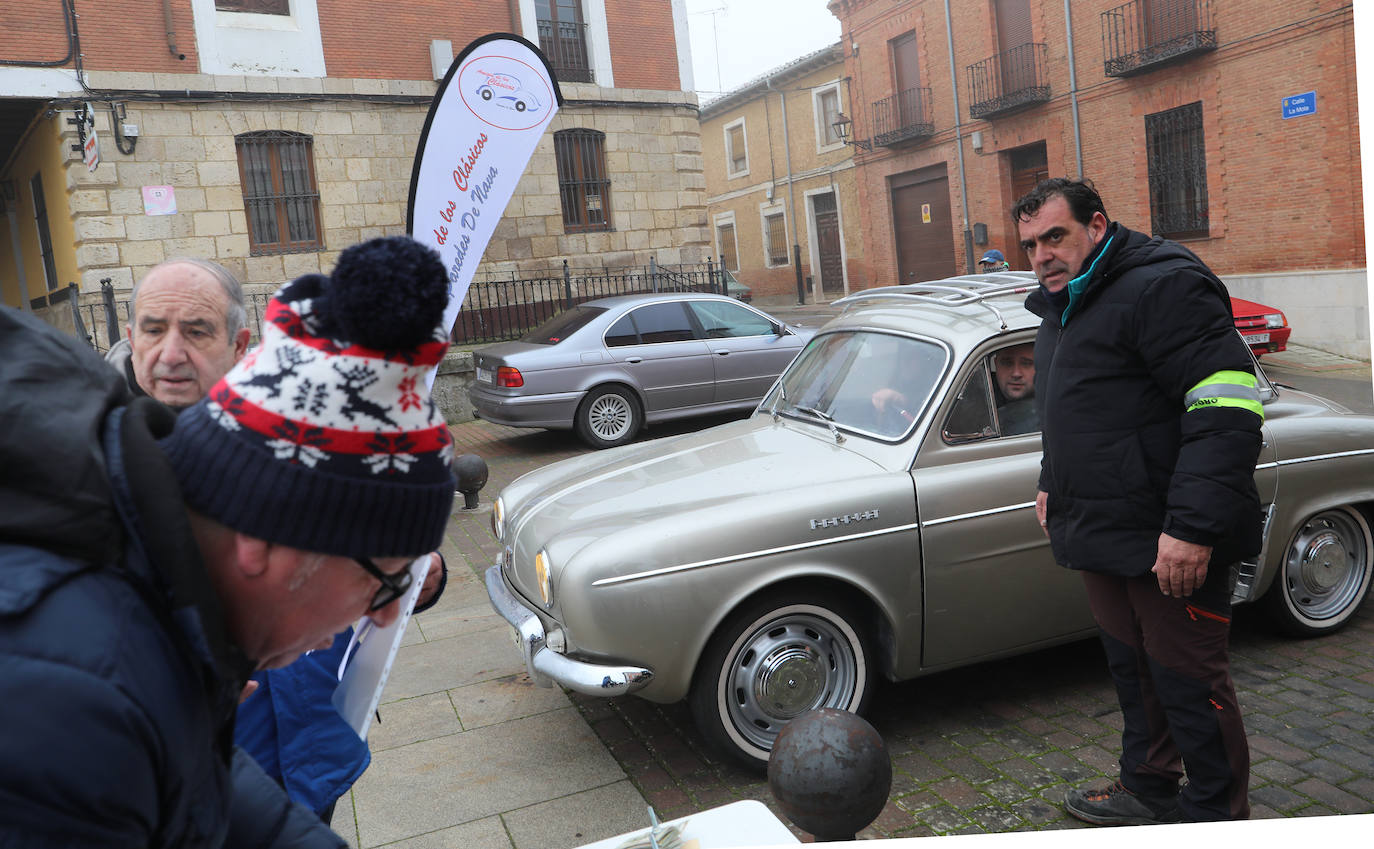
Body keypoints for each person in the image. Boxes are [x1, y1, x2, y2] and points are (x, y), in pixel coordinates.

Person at [0, 235, 457, 847]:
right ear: (264, 540)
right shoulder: (78, 707)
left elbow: (192, 764)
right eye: (384, 581)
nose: (390, 613)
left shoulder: (158, 601)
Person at [106, 257, 448, 824]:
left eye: (195, 331)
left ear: (240, 343)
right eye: (152, 328)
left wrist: (405, 578)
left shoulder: (299, 421)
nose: (170, 353)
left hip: (312, 755)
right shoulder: (96, 490)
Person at [1015, 178, 1263, 825]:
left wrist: (1191, 528)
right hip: (1104, 526)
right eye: (1030, 244)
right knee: (1135, 671)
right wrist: (1052, 477)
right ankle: (1149, 783)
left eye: (1054, 236)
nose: (1041, 254)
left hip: (1169, 535)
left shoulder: (1162, 284)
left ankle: (1216, 814)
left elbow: (1227, 406)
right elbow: (1075, 411)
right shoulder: (1064, 303)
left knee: (1190, 683)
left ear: (1096, 225)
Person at [105, 257, 252, 410]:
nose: (171, 357)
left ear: (238, 346)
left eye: (196, 333)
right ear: (133, 340)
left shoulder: (273, 424)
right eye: (154, 331)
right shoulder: (88, 425)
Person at [990, 342, 1036, 436]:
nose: (1016, 373)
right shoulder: (977, 399)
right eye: (1007, 363)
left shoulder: (1053, 408)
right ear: (996, 364)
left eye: (1026, 363)